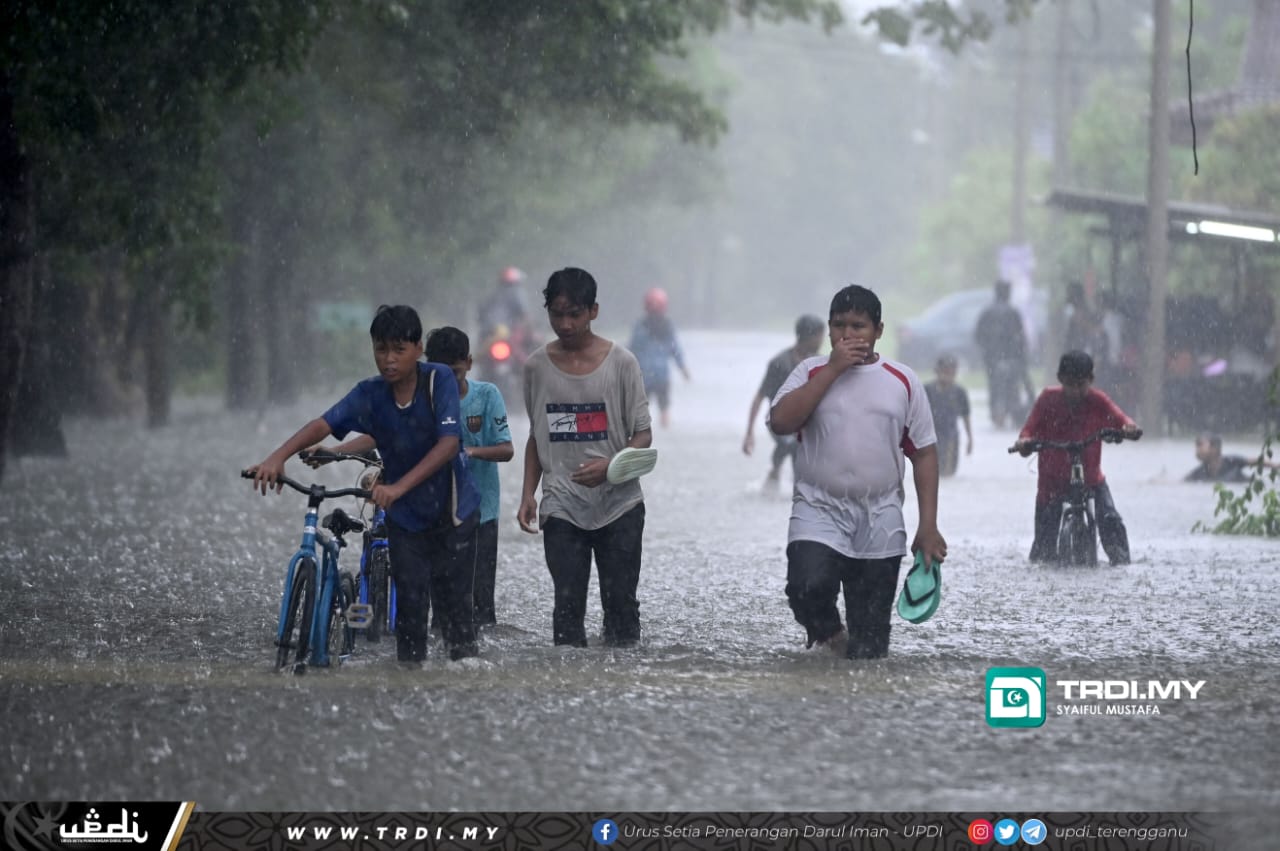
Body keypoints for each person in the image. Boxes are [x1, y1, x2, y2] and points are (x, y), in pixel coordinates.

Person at [247, 305, 481, 664]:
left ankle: (463, 676)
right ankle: (412, 680)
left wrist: (398, 487)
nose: (389, 359)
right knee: (410, 614)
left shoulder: (439, 380)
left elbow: (448, 444)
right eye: (381, 349)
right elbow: (323, 423)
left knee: (456, 619)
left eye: (399, 350)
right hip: (406, 519)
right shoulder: (370, 393)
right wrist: (277, 457)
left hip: (453, 513)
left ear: (418, 349)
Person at [769, 285, 946, 660]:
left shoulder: (902, 380)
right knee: (805, 588)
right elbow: (781, 421)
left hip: (880, 515)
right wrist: (833, 369)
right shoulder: (809, 371)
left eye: (858, 326)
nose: (847, 335)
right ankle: (832, 637)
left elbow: (925, 454)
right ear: (828, 329)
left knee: (871, 650)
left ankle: (858, 684)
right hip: (818, 508)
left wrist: (928, 526)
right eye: (839, 326)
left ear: (878, 330)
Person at [517, 267, 653, 647]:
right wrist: (528, 494)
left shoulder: (622, 363)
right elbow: (537, 435)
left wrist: (610, 468)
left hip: (619, 504)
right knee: (566, 608)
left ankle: (618, 678)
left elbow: (643, 436)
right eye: (557, 314)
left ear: (593, 311)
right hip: (561, 503)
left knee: (621, 608)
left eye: (574, 314)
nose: (565, 324)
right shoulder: (536, 368)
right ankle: (569, 680)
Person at [1013, 350, 1140, 565]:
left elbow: (1121, 419)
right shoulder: (1047, 400)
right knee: (1043, 549)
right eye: (1070, 384)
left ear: (1091, 380)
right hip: (1051, 485)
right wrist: (1024, 443)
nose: (1075, 391)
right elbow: (1028, 430)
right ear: (1060, 379)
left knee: (1110, 520)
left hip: (1091, 480)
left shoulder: (1098, 401)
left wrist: (1129, 428)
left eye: (1081, 385)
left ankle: (1124, 566)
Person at [425, 326, 514, 627]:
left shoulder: (487, 395)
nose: (448, 382)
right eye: (441, 375)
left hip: (481, 512)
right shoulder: (423, 400)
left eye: (455, 372)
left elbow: (506, 449)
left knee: (480, 602)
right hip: (437, 513)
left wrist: (468, 452)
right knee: (440, 606)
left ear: (469, 363)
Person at [743, 314, 826, 490]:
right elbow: (759, 397)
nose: (822, 340)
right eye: (820, 336)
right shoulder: (779, 363)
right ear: (809, 336)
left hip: (805, 422)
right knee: (792, 443)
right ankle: (790, 486)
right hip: (778, 419)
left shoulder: (819, 364)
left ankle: (776, 473)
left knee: (798, 444)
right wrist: (749, 433)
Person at [628, 287, 691, 429]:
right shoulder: (668, 326)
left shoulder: (640, 326)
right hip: (661, 376)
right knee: (664, 408)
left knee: (639, 412)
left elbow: (631, 350)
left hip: (644, 376)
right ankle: (664, 429)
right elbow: (675, 350)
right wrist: (683, 369)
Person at [974, 279, 1028, 428]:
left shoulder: (987, 312)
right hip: (1011, 357)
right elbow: (1020, 337)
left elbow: (978, 335)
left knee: (994, 386)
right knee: (1012, 386)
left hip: (992, 358)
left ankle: (996, 414)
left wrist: (987, 350)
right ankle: (1013, 412)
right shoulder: (1012, 312)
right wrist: (1020, 355)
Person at [924, 354, 972, 477]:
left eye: (952, 372)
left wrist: (970, 439)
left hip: (951, 438)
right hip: (931, 437)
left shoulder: (959, 392)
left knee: (949, 473)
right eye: (945, 372)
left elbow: (966, 416)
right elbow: (917, 415)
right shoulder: (927, 390)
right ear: (937, 371)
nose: (948, 376)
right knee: (932, 473)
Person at [1184, 432, 1261, 483]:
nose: (1197, 450)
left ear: (1214, 448)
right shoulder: (1198, 473)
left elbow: (1261, 462)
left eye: (1200, 445)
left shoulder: (1232, 462)